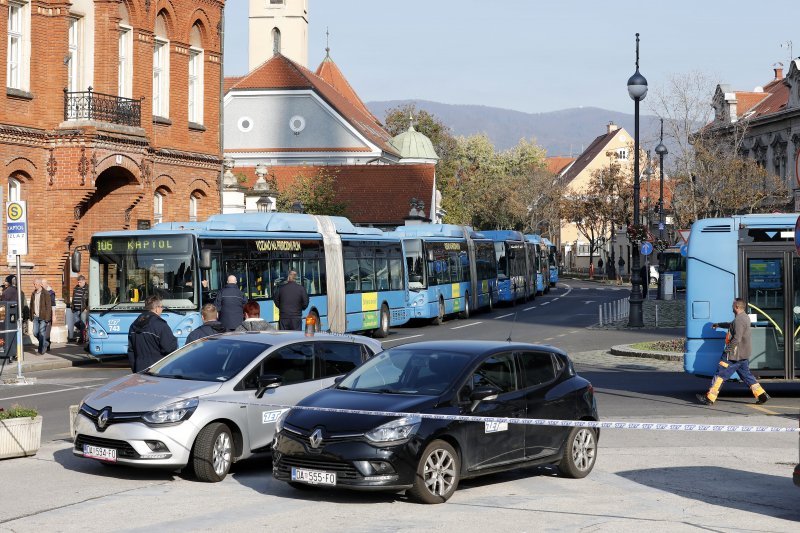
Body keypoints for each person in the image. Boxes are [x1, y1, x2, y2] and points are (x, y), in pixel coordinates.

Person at [697, 298, 770, 405]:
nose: (731, 307)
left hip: (734, 355)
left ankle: (709, 398)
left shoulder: (739, 320)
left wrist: (728, 350)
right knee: (746, 376)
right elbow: (732, 325)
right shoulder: (744, 317)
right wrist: (718, 324)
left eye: (733, 305)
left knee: (720, 375)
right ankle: (762, 395)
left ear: (736, 307)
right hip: (743, 354)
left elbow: (737, 338)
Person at [127, 295, 178, 373]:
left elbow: (131, 351)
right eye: (161, 307)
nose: (162, 309)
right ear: (157, 308)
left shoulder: (134, 325)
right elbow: (169, 348)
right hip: (158, 370)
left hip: (139, 369)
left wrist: (135, 369)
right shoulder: (160, 325)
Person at [30, 278, 53, 355]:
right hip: (36, 316)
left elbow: (49, 307)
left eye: (35, 284)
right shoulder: (33, 293)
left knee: (42, 333)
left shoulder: (46, 293)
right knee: (35, 332)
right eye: (33, 284)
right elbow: (31, 305)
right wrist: (31, 315)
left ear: (40, 284)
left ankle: (41, 351)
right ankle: (45, 343)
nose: (34, 285)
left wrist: (47, 318)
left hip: (43, 317)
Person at [71, 275, 89, 343]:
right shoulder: (76, 288)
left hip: (83, 309)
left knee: (82, 323)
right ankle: (85, 331)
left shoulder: (88, 288)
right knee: (76, 323)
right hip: (76, 309)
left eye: (80, 282)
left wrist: (87, 308)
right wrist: (72, 306)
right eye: (78, 282)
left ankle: (82, 339)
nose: (79, 283)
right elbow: (73, 298)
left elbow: (89, 299)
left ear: (84, 281)